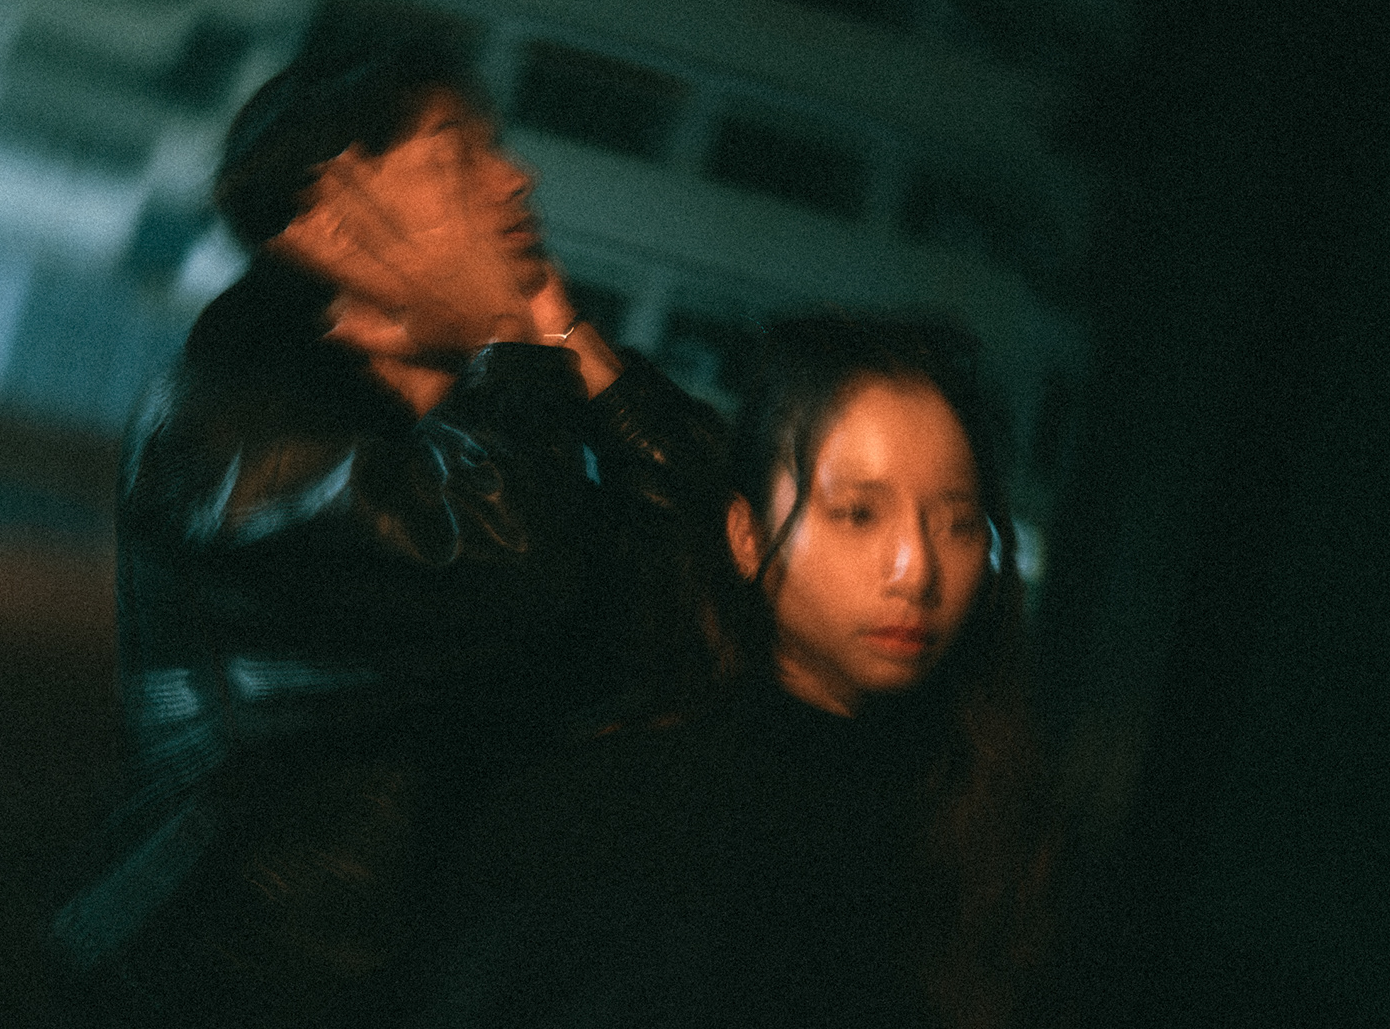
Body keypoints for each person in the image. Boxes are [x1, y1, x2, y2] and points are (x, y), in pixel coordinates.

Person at [51, 37, 725, 1027]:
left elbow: (705, 569)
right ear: (334, 222)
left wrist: (563, 335)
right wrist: (507, 337)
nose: (516, 177)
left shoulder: (482, 427)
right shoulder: (227, 430)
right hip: (243, 972)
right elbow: (502, 568)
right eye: (458, 154)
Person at [428, 315, 1052, 1029]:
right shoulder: (611, 812)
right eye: (858, 513)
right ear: (747, 536)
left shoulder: (996, 824)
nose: (917, 570)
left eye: (959, 523)